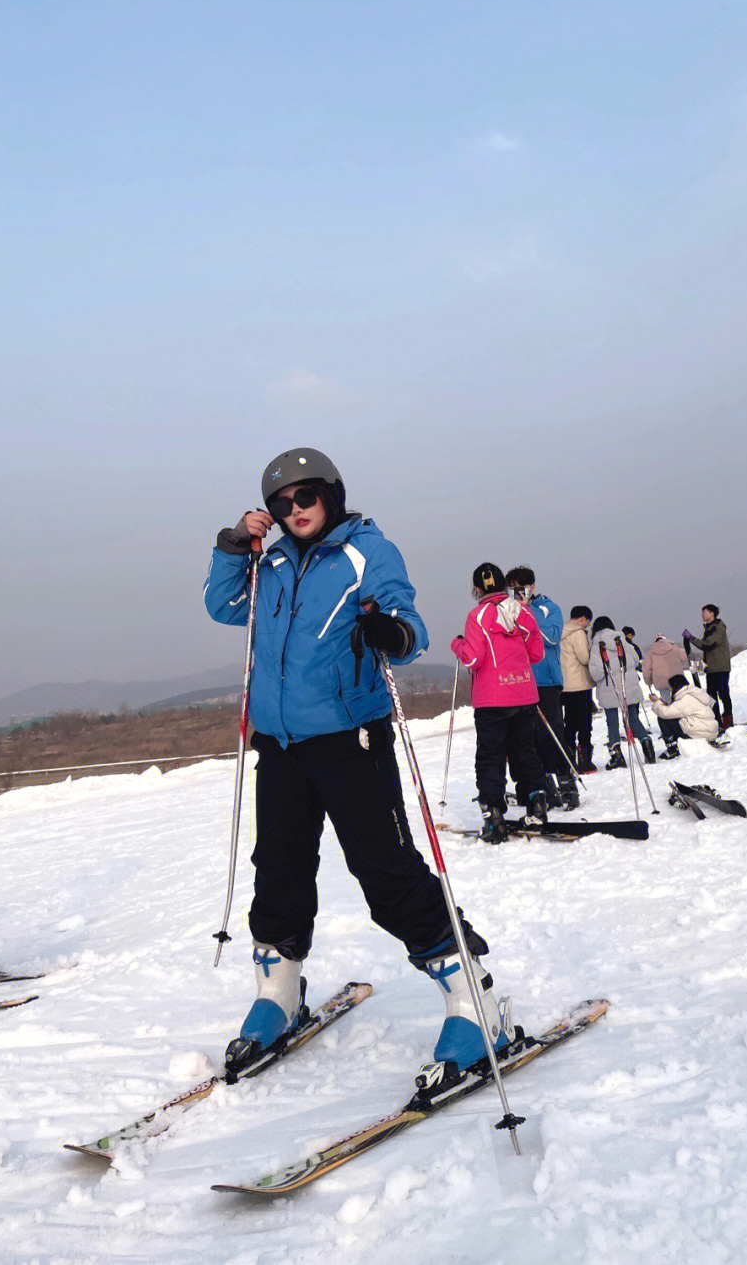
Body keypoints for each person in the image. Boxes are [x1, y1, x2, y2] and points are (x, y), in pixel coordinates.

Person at [204, 449, 516, 1076]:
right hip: (281, 743)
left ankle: (472, 997)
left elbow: (409, 621)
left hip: (352, 738)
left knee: (384, 870)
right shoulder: (269, 563)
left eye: (306, 497)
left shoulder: (366, 551)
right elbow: (223, 605)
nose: (295, 511)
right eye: (281, 504)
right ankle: (278, 994)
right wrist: (235, 545)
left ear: (331, 495)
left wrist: (393, 634)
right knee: (279, 870)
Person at [453, 563, 549, 840]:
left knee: (490, 756)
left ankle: (494, 816)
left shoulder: (477, 616)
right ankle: (537, 804)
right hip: (524, 693)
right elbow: (537, 654)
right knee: (525, 751)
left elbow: (473, 658)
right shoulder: (522, 611)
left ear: (477, 589)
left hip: (492, 698)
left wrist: (457, 644)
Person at [505, 567, 577, 810]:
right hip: (520, 682)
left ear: (532, 587)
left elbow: (553, 637)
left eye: (521, 587)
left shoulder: (548, 608)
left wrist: (527, 613)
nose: (517, 592)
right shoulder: (506, 611)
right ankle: (543, 786)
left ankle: (567, 782)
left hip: (546, 681)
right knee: (529, 738)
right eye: (512, 588)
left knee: (553, 733)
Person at [588, 617, 655, 769]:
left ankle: (617, 756)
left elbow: (596, 672)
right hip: (629, 685)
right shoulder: (622, 639)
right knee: (633, 718)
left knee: (612, 722)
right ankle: (648, 747)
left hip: (609, 688)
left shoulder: (595, 644)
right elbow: (635, 660)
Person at [560, 607, 596, 773]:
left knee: (569, 724)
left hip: (564, 685)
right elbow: (584, 658)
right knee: (584, 724)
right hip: (580, 685)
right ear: (583, 618)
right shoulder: (578, 633)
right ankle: (585, 762)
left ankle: (568, 759)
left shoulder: (559, 631)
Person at [684, 605, 733, 727]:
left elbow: (707, 645)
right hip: (712, 668)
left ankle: (727, 721)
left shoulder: (719, 628)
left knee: (723, 694)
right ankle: (716, 721)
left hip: (720, 667)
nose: (702, 615)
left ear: (712, 613)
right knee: (711, 696)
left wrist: (691, 638)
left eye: (704, 613)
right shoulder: (710, 628)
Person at [649, 675, 720, 757]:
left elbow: (665, 713)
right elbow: (677, 709)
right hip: (708, 728)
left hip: (701, 732)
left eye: (670, 688)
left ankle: (672, 748)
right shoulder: (694, 693)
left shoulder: (686, 698)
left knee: (663, 718)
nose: (670, 690)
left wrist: (657, 701)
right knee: (672, 717)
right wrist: (664, 703)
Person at [641, 632, 690, 745]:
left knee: (667, 706)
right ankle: (682, 727)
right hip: (677, 682)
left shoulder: (651, 653)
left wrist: (649, 682)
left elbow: (646, 670)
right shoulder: (674, 648)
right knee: (680, 704)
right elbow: (685, 656)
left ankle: (670, 730)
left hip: (661, 682)